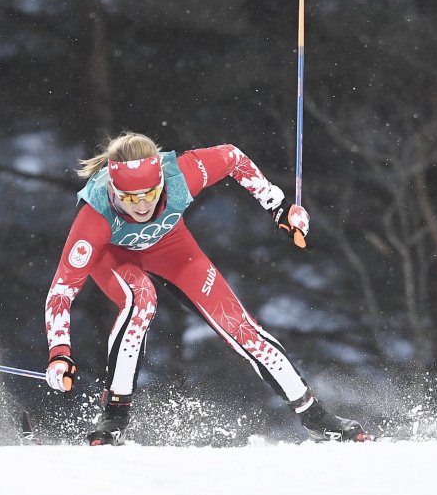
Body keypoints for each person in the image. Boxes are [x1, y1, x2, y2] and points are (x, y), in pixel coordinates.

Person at [43, 131, 370, 445]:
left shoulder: (182, 174)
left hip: (171, 247)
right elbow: (61, 291)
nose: (141, 206)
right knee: (142, 299)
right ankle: (114, 417)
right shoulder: (94, 216)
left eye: (150, 194)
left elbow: (233, 158)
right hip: (115, 257)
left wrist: (279, 207)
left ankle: (316, 419)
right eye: (129, 198)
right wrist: (59, 353)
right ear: (114, 191)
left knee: (239, 325)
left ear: (161, 183)